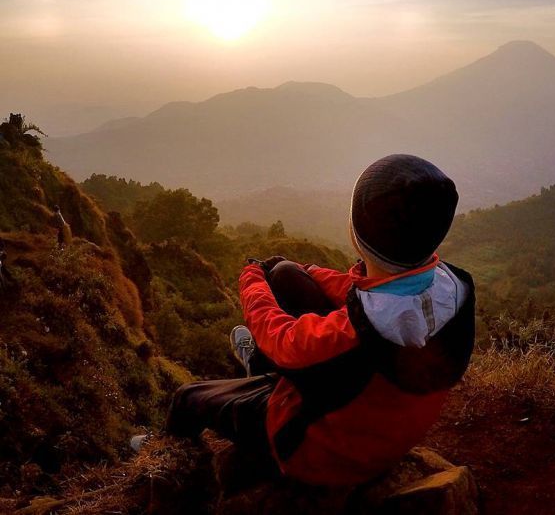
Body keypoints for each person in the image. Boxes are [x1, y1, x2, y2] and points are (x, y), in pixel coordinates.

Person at [135, 154, 475, 487]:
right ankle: (260, 363)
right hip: (382, 417)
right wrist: (304, 271)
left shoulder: (347, 336)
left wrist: (252, 277)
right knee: (285, 274)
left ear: (358, 234)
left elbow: (281, 337)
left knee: (187, 397)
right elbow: (362, 295)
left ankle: (166, 458)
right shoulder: (453, 285)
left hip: (318, 453)